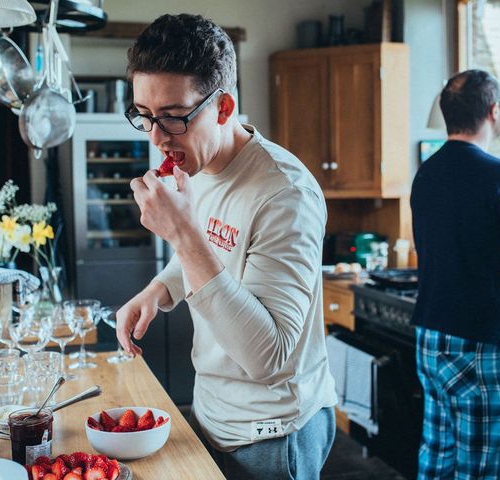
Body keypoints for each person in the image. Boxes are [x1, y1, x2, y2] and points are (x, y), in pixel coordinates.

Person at [115, 13, 337, 480]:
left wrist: (182, 234)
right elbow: (216, 250)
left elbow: (269, 357)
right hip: (212, 414)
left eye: (174, 117)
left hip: (272, 437)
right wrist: (159, 289)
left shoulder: (284, 195)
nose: (157, 137)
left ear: (222, 107)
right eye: (145, 116)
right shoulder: (201, 165)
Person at [411, 69, 500, 479]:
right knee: (485, 471)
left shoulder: (427, 173)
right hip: (480, 344)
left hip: (430, 338)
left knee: (438, 460)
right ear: (494, 111)